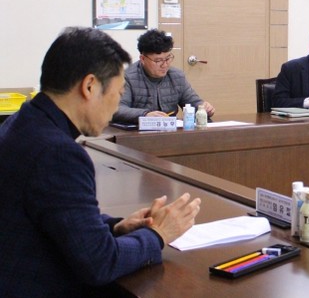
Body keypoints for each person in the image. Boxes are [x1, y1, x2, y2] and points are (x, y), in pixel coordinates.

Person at [0, 27, 201, 297]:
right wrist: (159, 234)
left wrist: (115, 227)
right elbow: (100, 263)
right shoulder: (59, 153)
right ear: (90, 86)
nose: (116, 106)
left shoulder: (21, 123)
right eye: (117, 94)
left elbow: (55, 215)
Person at [112, 29, 214, 123]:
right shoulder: (127, 78)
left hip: (169, 130)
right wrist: (145, 115)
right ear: (143, 59)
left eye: (168, 58)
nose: (165, 65)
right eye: (158, 60)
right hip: (135, 132)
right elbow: (116, 109)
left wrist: (203, 108)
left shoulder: (177, 76)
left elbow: (192, 102)